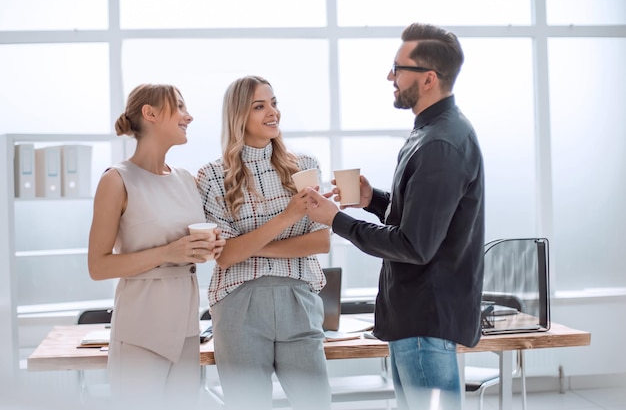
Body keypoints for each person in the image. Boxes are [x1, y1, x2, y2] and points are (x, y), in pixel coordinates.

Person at [305, 22, 485, 410]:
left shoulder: (440, 143)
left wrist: (337, 220)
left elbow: (415, 245)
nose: (390, 75)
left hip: (426, 319)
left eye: (398, 67)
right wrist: (373, 201)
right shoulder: (431, 133)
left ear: (428, 79)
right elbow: (423, 221)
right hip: (417, 317)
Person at [196, 75, 332, 410]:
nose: (272, 112)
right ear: (239, 115)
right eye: (259, 106)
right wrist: (287, 217)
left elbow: (321, 241)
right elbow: (225, 258)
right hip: (238, 305)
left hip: (298, 299)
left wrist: (250, 247)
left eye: (274, 103)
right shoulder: (212, 176)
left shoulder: (305, 167)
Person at [87, 84, 225, 409]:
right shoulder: (116, 180)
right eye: (178, 107)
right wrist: (168, 253)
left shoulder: (186, 179)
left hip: (187, 329)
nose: (188, 116)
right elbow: (98, 266)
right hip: (140, 331)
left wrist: (208, 247)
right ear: (149, 114)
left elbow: (188, 248)